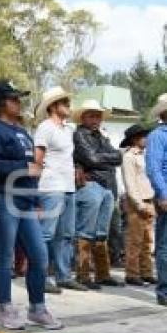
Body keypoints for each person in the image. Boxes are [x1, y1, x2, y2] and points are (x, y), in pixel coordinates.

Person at [0, 81, 64, 331]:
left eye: (19, 98)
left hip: (24, 200)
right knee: (4, 256)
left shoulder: (23, 131)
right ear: (0, 102)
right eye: (14, 98)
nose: (19, 102)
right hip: (0, 197)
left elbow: (32, 168)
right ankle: (5, 308)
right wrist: (25, 169)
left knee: (39, 255)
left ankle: (37, 308)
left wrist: (35, 199)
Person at [33, 87, 87, 292]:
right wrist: (34, 191)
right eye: (64, 102)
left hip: (68, 186)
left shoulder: (68, 129)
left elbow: (68, 157)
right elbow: (37, 158)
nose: (68, 105)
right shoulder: (45, 127)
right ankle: (41, 277)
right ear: (53, 106)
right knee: (46, 233)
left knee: (66, 234)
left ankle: (64, 275)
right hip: (50, 186)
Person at [73, 99, 124, 289]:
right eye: (92, 115)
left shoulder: (101, 137)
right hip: (92, 185)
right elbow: (91, 158)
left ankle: (103, 274)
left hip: (107, 186)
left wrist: (103, 159)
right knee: (86, 231)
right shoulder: (79, 135)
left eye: (98, 115)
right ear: (83, 117)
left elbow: (119, 157)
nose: (96, 119)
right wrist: (109, 158)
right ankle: (83, 275)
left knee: (102, 232)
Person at [120, 124, 156, 286]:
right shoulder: (129, 156)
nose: (146, 138)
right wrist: (139, 204)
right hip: (138, 201)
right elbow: (130, 182)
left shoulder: (145, 155)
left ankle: (146, 271)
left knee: (148, 239)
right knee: (135, 239)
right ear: (135, 139)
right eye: (143, 136)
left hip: (149, 199)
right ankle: (132, 273)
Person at [145, 93, 167, 306]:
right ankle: (165, 291)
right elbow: (153, 168)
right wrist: (162, 194)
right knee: (165, 246)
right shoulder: (158, 135)